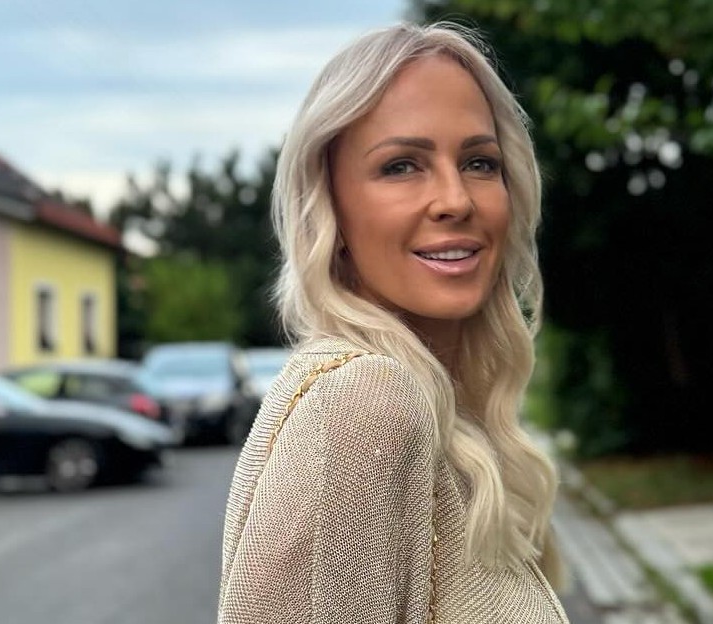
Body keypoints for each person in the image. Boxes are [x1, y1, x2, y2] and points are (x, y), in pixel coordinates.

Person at [216, 20, 569, 624]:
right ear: (329, 207)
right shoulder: (365, 403)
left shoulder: (437, 404)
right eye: (402, 166)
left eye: (480, 162)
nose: (456, 199)